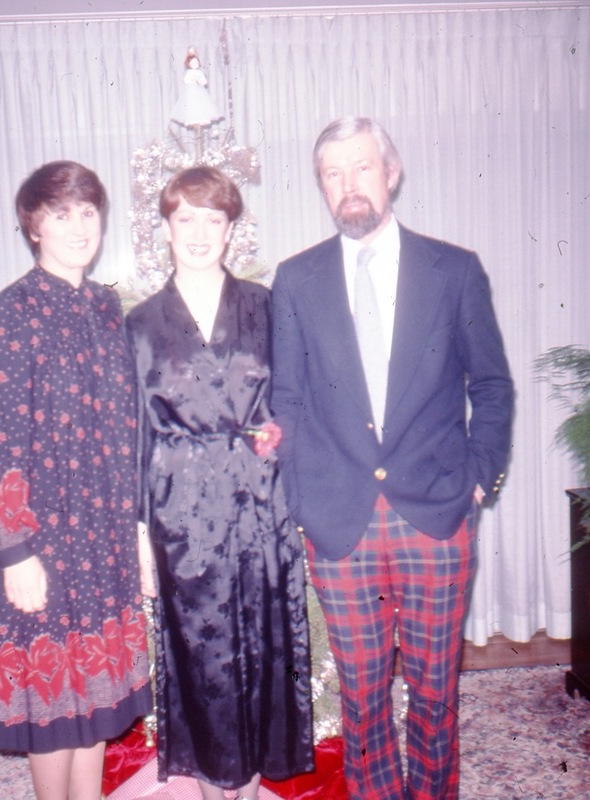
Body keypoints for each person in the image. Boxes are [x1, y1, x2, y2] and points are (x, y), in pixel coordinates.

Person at [271, 117, 514, 800]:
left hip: (435, 512)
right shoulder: (296, 279)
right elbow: (286, 400)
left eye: (362, 168)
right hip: (340, 521)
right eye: (333, 174)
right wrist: (300, 499)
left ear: (392, 173)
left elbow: (491, 385)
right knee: (363, 695)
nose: (348, 185)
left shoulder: (454, 271)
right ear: (322, 187)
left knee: (435, 690)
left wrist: (479, 477)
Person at [126, 166, 314, 800]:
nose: (200, 232)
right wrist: (139, 536)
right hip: (180, 512)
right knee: (203, 664)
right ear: (167, 227)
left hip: (261, 502)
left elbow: (298, 400)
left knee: (262, 655)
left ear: (232, 228)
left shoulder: (266, 306)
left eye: (215, 218)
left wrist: (282, 444)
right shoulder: (140, 324)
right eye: (186, 218)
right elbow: (136, 436)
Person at [0, 160, 152, 800]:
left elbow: (128, 431)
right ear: (34, 227)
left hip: (104, 535)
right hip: (40, 542)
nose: (79, 227)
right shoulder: (7, 314)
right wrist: (13, 551)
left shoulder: (106, 308)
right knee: (52, 709)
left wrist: (137, 531)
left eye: (88, 212)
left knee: (94, 702)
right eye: (61, 214)